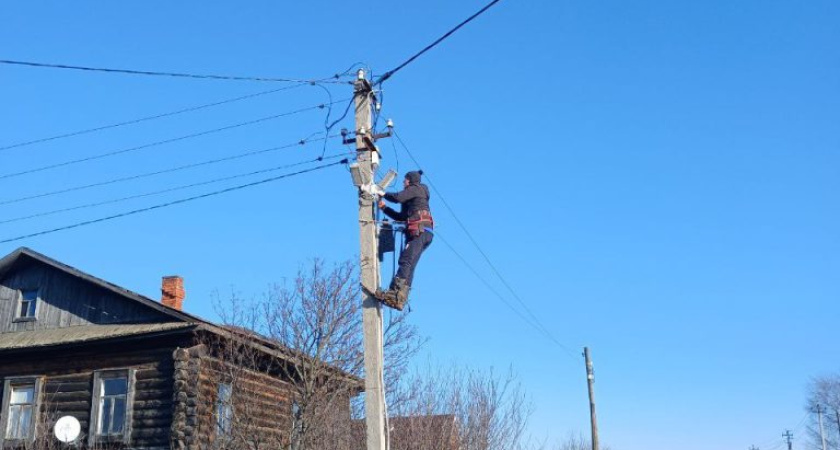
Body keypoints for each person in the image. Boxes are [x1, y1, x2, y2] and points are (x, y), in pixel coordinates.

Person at [376, 170, 434, 310]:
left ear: (410, 180)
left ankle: (393, 295)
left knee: (405, 261)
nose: (403, 182)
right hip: (425, 233)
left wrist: (381, 192)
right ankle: (399, 299)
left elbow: (397, 198)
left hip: (419, 232)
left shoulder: (417, 189)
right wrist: (384, 208)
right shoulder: (413, 200)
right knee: (410, 264)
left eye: (405, 180)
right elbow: (401, 217)